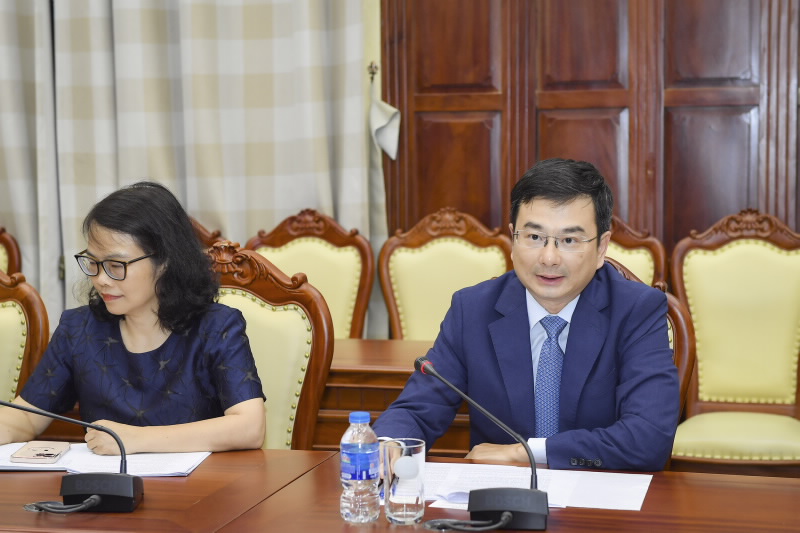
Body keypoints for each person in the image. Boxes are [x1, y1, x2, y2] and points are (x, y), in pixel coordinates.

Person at [373, 158, 679, 471]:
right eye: (534, 237)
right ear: (513, 239)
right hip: (501, 496)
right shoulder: (473, 310)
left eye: (569, 240)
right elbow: (418, 408)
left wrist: (525, 453)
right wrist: (390, 443)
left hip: (603, 493)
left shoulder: (636, 311)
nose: (549, 258)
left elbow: (649, 439)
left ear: (602, 247)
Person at [0, 181, 266, 454]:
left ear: (164, 261)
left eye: (116, 265)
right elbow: (26, 417)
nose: (101, 279)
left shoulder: (216, 327)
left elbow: (249, 427)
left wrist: (136, 439)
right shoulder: (78, 330)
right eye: (93, 263)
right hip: (105, 482)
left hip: (203, 480)